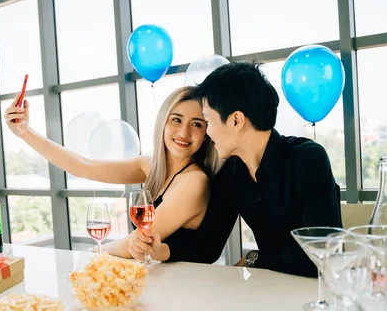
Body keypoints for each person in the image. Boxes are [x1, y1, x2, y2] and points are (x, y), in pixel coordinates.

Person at [132, 62, 342, 277]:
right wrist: (162, 250)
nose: (207, 133)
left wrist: (256, 258)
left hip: (317, 292)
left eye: (207, 121)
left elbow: (321, 254)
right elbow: (209, 247)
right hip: (269, 288)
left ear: (236, 120)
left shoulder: (308, 158)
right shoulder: (231, 173)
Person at [4, 87, 220, 260]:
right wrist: (25, 132)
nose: (184, 132)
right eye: (176, 119)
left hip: (187, 289)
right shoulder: (150, 166)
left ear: (206, 134)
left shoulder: (195, 181)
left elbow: (137, 241)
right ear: (163, 122)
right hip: (157, 280)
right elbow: (83, 165)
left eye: (197, 124)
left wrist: (93, 254)